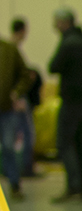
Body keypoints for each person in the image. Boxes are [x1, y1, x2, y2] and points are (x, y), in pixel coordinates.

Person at [47, 7, 82, 201]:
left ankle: (73, 186)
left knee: (64, 143)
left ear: (64, 23)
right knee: (81, 144)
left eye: (56, 22)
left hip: (72, 102)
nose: (54, 26)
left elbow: (53, 66)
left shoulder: (68, 43)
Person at [0, 18, 32, 198]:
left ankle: (14, 185)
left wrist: (17, 92)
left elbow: (25, 75)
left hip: (7, 110)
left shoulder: (9, 51)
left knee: (8, 147)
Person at [12, 20, 40, 177]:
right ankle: (25, 167)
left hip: (15, 96)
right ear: (23, 31)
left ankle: (20, 167)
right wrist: (17, 96)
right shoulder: (13, 49)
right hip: (17, 98)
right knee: (27, 133)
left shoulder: (12, 49)